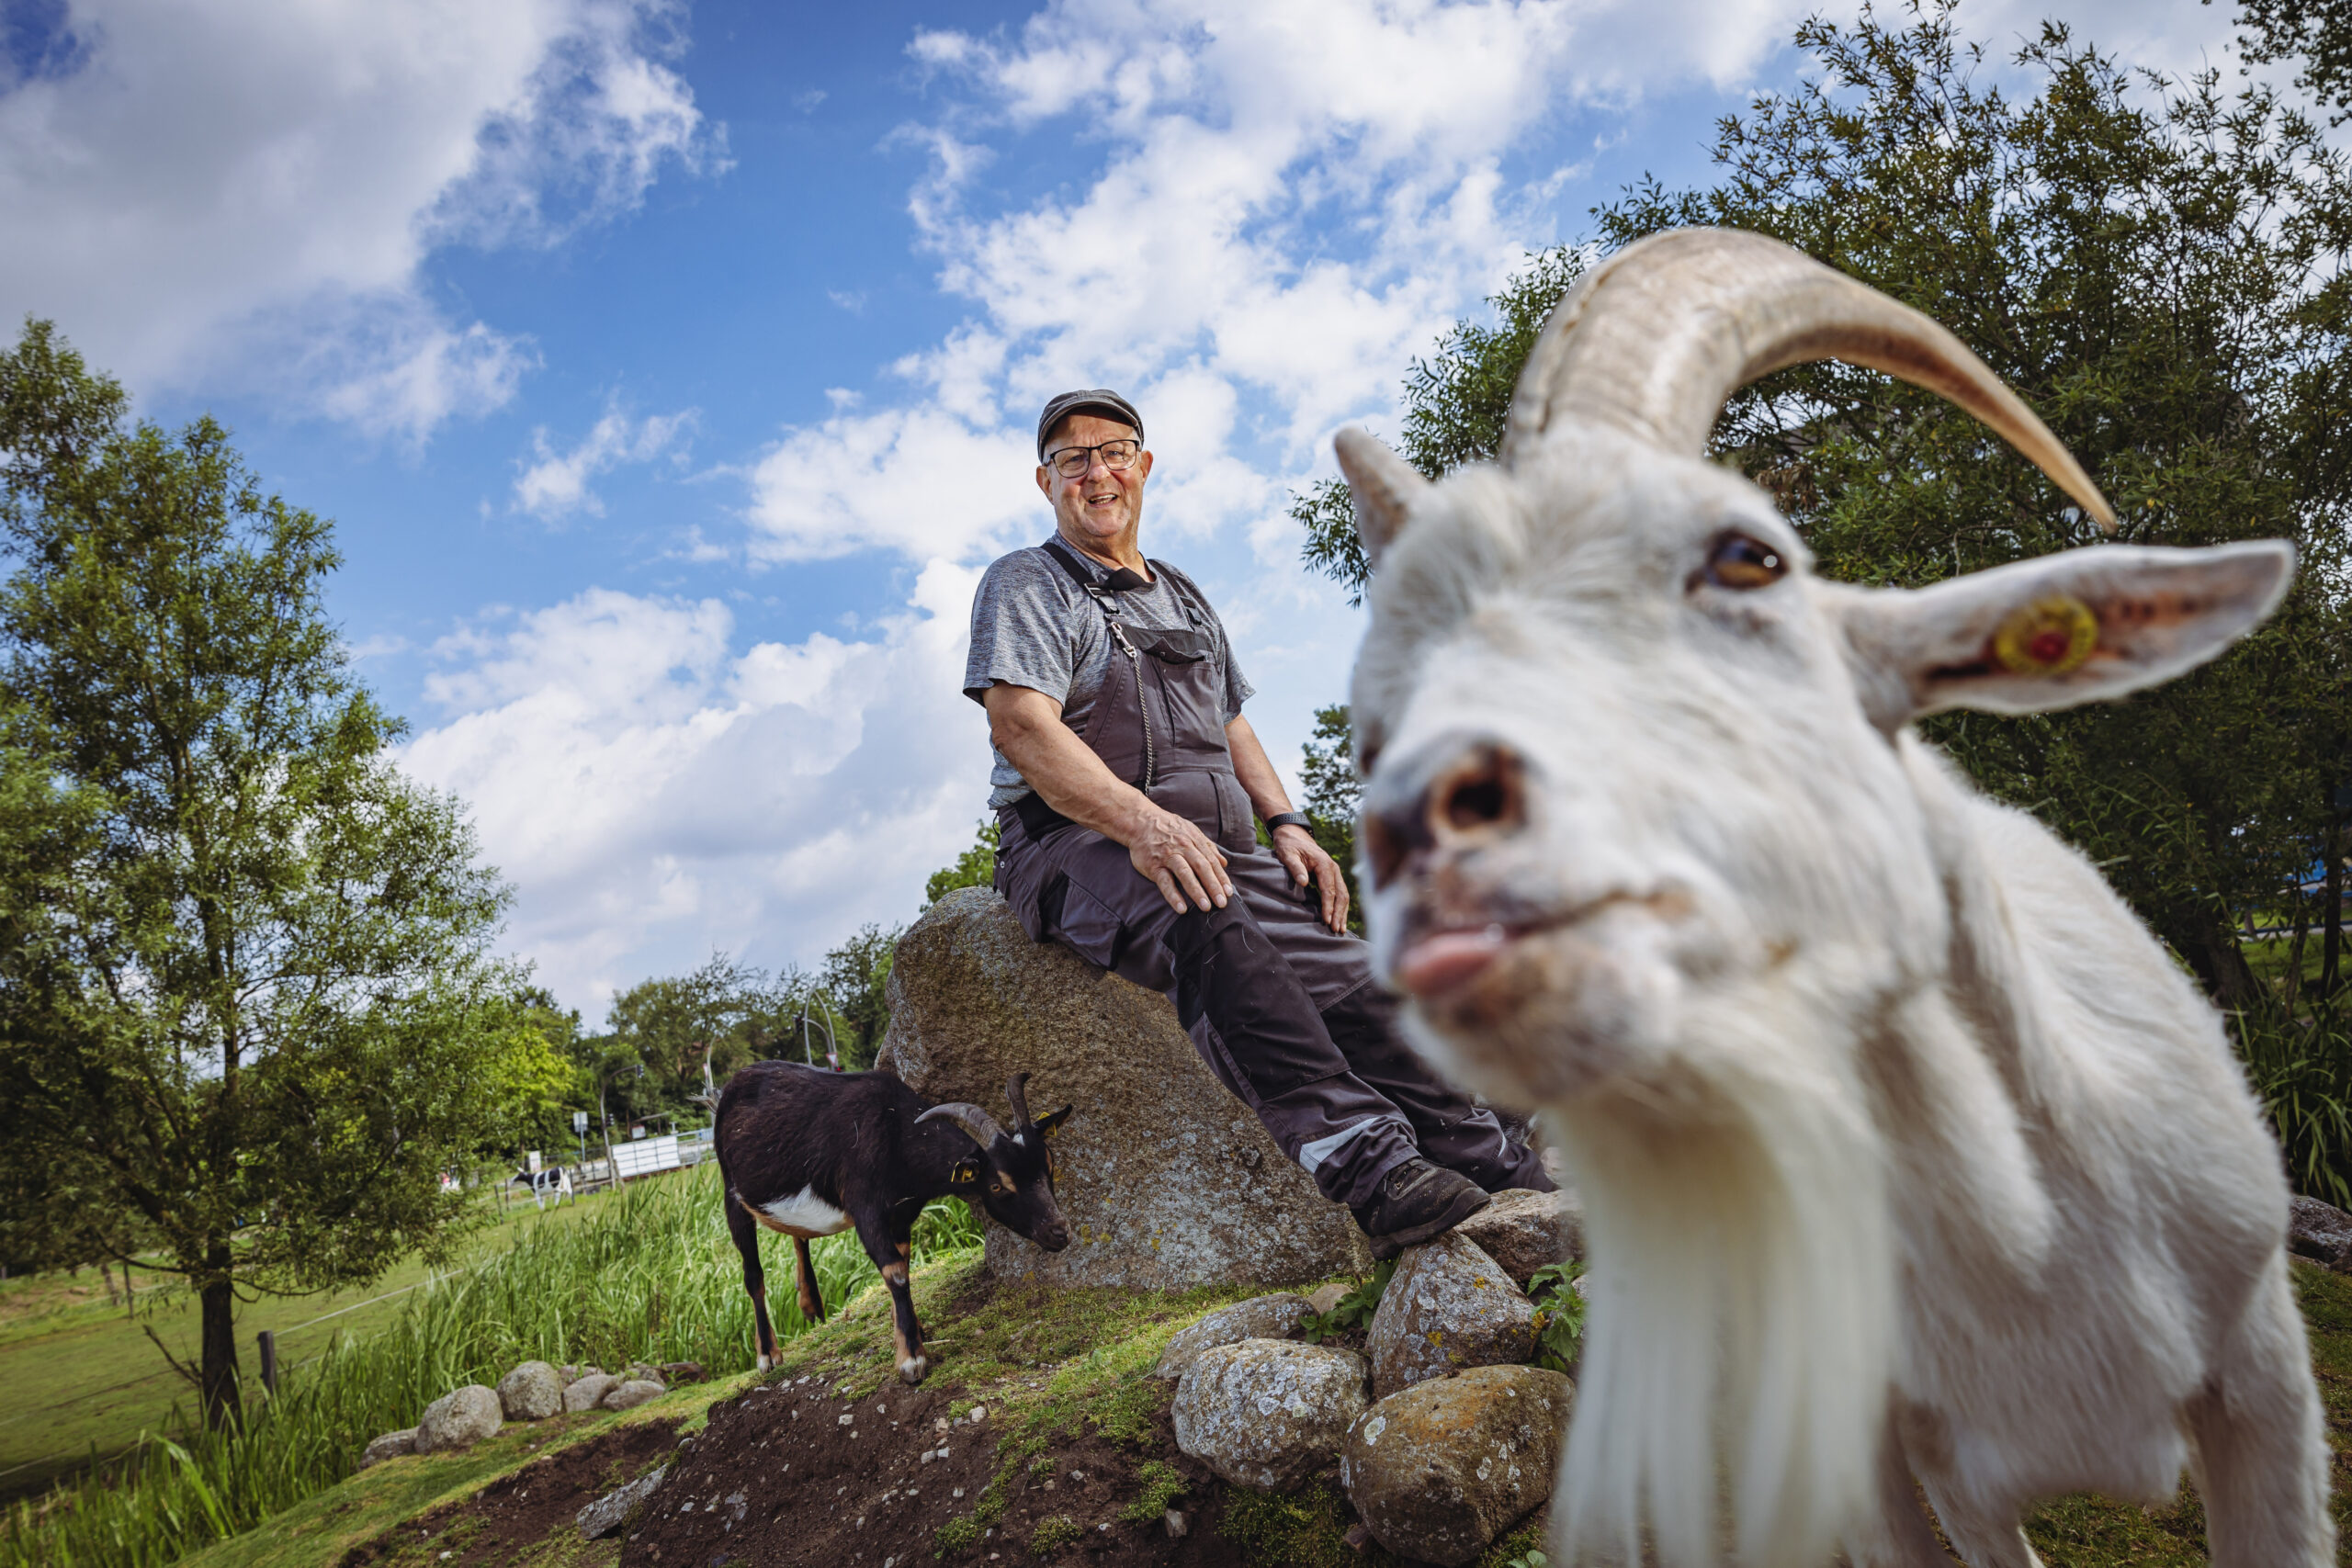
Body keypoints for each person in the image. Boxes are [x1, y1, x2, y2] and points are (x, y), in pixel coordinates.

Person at [965, 389, 1552, 1258]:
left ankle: (1490, 1165)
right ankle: (1368, 1167)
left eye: (1115, 450)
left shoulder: (1188, 596)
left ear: (1145, 465)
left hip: (1224, 846)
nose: (1098, 471)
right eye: (1074, 458)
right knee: (1207, 924)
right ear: (1045, 480)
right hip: (1075, 844)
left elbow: (1231, 724)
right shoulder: (1029, 582)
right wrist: (1143, 825)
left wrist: (1288, 823)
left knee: (1362, 982)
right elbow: (1021, 724)